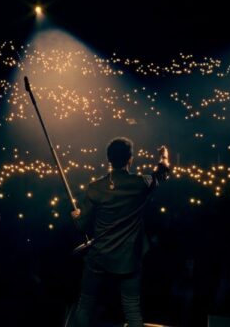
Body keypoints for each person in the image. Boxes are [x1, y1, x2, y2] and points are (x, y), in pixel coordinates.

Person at [68, 137, 171, 327]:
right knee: (131, 309)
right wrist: (163, 156)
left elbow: (81, 226)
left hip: (99, 257)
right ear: (130, 159)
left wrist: (76, 215)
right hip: (129, 259)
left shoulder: (95, 188)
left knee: (85, 306)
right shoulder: (142, 183)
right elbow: (162, 173)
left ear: (109, 159)